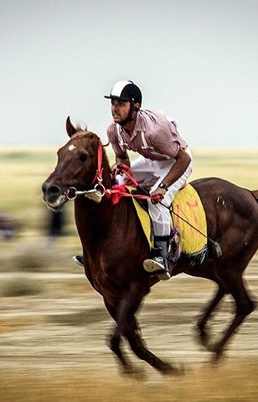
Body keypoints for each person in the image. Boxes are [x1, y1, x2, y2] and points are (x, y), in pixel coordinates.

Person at [74, 80, 193, 280]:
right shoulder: (113, 130)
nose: (114, 108)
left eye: (121, 103)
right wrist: (121, 172)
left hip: (177, 162)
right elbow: (122, 158)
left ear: (135, 106)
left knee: (157, 202)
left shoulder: (155, 131)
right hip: (152, 160)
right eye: (113, 103)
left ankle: (162, 257)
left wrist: (162, 188)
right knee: (113, 188)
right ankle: (97, 252)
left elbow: (184, 159)